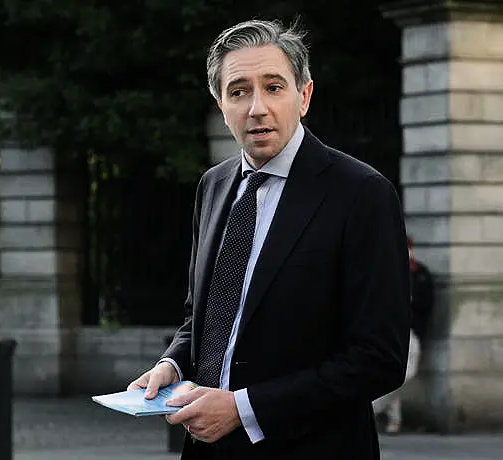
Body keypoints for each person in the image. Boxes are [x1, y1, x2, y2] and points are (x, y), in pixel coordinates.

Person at [127, 19, 411, 459]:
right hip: (208, 448)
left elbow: (380, 359)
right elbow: (204, 314)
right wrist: (173, 363)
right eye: (239, 91)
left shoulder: (361, 194)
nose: (257, 107)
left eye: (274, 87)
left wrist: (243, 408)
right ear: (220, 104)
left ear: (304, 96)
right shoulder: (214, 185)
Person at [373, 236, 434, 434]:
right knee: (394, 373)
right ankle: (394, 420)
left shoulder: (419, 273)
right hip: (390, 329)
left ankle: (373, 407)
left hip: (409, 330)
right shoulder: (390, 271)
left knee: (404, 373)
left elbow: (426, 302)